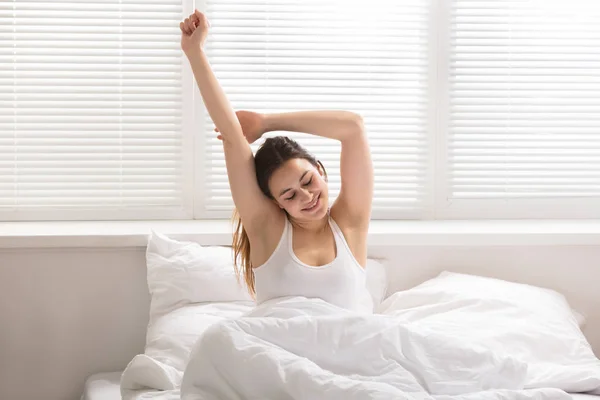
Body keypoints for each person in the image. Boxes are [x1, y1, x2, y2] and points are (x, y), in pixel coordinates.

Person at [180, 10, 374, 312]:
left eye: (308, 181)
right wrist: (194, 52)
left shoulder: (350, 223)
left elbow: (353, 127)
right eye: (290, 195)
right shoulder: (267, 227)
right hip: (280, 350)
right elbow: (232, 135)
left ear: (320, 171)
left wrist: (267, 121)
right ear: (276, 203)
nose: (307, 196)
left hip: (348, 350)